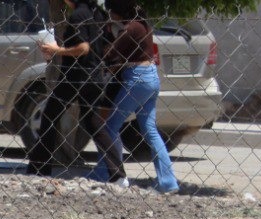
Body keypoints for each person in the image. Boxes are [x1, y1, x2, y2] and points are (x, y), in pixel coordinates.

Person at [92, 0, 179, 193]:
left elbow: (110, 54)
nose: (110, 14)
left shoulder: (130, 29)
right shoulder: (143, 25)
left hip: (137, 80)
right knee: (150, 131)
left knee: (110, 127)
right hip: (151, 78)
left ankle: (107, 173)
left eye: (111, 11)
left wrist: (102, 36)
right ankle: (168, 182)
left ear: (118, 10)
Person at [27, 0, 120, 181]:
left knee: (49, 118)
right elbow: (102, 44)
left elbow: (83, 48)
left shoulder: (78, 15)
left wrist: (57, 50)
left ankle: (39, 170)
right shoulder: (96, 13)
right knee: (94, 124)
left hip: (75, 78)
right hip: (93, 76)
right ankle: (118, 173)